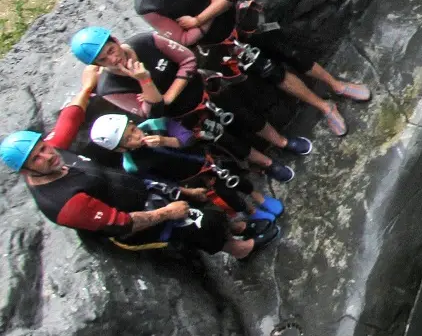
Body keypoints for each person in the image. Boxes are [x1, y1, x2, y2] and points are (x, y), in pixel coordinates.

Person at [112, 0, 371, 137]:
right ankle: (324, 106)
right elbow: (184, 38)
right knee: (273, 73)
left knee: (290, 52)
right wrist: (215, 6)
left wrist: (199, 18)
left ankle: (336, 85)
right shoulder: (148, 6)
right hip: (223, 46)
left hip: (244, 20)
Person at [2, 76, 265, 258]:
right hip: (142, 223)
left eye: (43, 148)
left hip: (141, 190)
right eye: (37, 158)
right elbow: (122, 225)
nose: (47, 155)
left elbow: (69, 120)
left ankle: (236, 228)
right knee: (200, 228)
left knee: (202, 206)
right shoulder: (62, 203)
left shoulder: (53, 151)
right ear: (25, 171)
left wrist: (86, 88)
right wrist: (165, 213)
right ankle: (240, 250)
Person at [69, 26, 303, 183]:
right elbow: (151, 113)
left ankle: (282, 142)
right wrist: (144, 81)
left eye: (111, 50)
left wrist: (167, 95)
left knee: (249, 117)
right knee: (228, 141)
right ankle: (267, 164)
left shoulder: (145, 41)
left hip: (205, 90)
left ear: (116, 41)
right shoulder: (110, 88)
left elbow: (188, 60)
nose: (113, 59)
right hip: (187, 117)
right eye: (103, 60)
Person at [88, 112, 281, 232]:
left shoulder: (154, 125)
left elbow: (188, 138)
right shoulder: (132, 165)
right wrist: (189, 192)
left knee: (237, 178)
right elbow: (159, 183)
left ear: (133, 123)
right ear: (120, 149)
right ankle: (250, 210)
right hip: (193, 177)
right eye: (128, 140)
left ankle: (258, 197)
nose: (136, 137)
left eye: (133, 130)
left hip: (206, 159)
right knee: (226, 195)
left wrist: (165, 141)